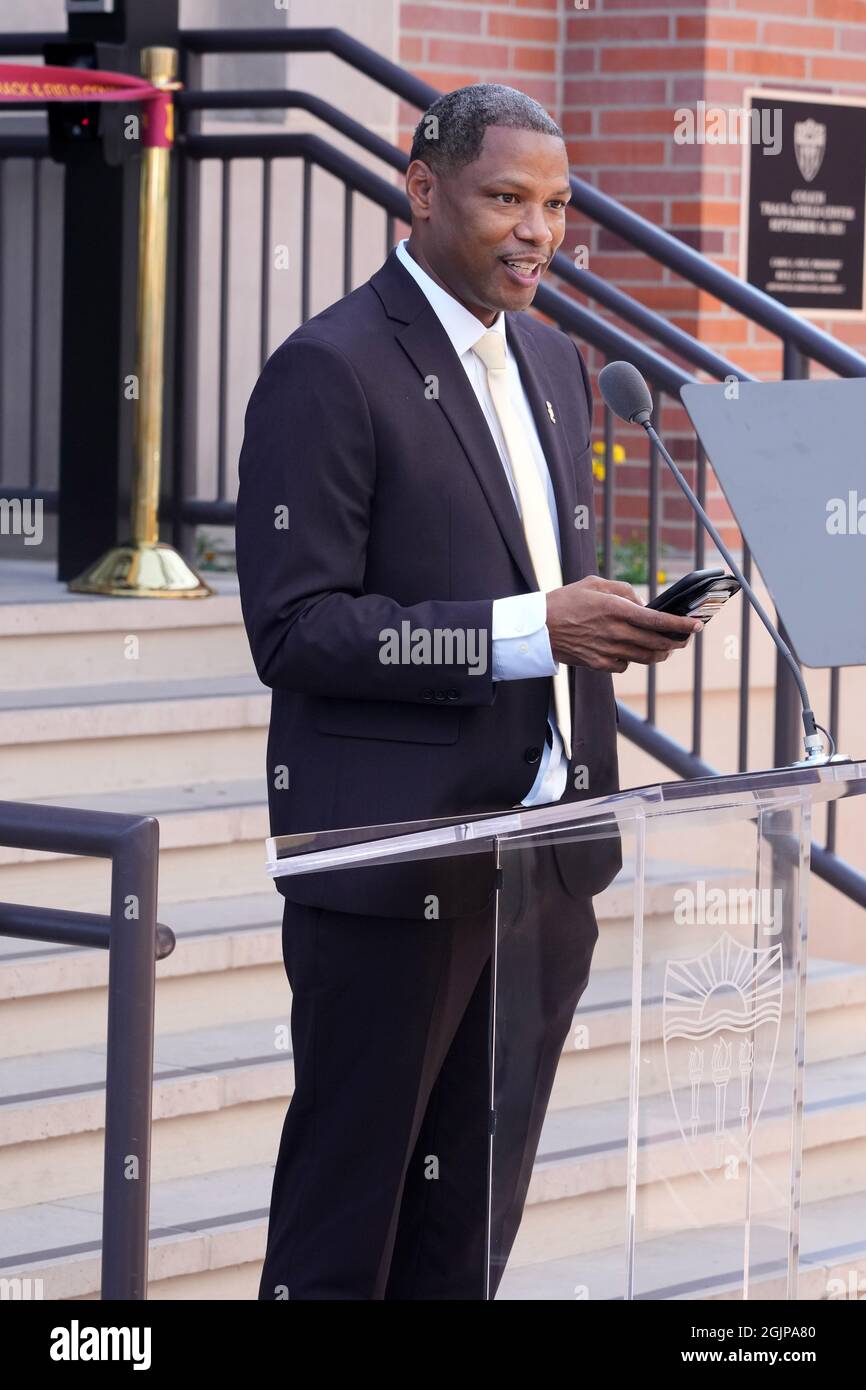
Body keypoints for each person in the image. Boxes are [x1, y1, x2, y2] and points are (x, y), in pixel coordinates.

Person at [235, 83, 701, 1300]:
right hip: (396, 867)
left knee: (468, 1235)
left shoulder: (554, 359)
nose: (535, 231)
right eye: (505, 198)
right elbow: (296, 629)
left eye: (555, 205)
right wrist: (522, 630)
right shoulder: (325, 368)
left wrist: (607, 622)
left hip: (545, 859)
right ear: (422, 187)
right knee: (350, 1227)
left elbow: (521, 571)